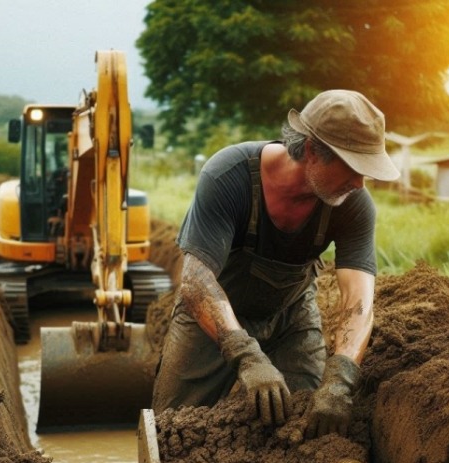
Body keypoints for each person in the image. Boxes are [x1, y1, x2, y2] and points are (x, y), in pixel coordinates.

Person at [152, 89, 399, 439]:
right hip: (210, 316)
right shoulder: (229, 177)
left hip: (291, 318)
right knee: (173, 433)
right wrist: (245, 355)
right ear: (312, 150)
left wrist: (341, 378)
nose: (360, 183)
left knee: (308, 426)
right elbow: (195, 281)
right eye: (353, 168)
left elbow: (358, 301)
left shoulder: (353, 204)